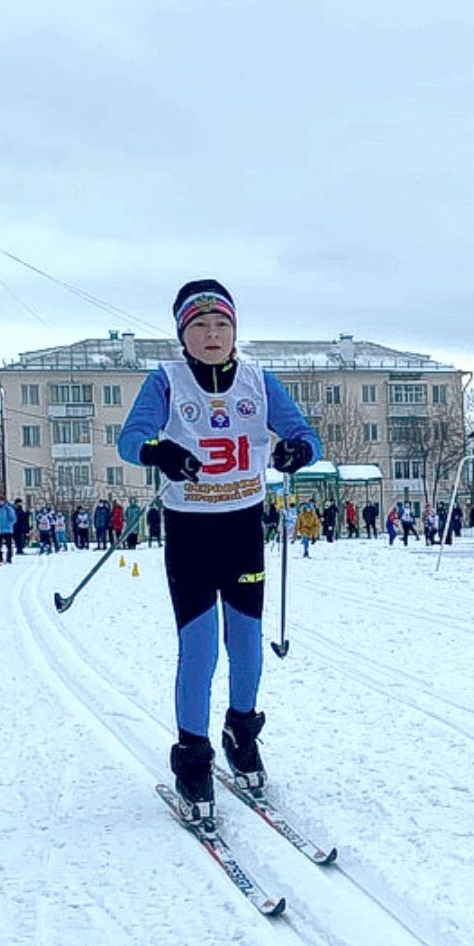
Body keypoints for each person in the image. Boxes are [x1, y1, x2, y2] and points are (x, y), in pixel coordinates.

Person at [116, 278, 320, 824]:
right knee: (200, 649)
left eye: (222, 325)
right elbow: (130, 438)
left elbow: (304, 432)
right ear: (183, 333)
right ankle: (192, 756)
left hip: (243, 526)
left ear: (235, 331)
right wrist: (161, 451)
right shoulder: (166, 380)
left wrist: (298, 448)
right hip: (190, 530)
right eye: (200, 325)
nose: (212, 335)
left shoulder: (258, 378)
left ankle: (241, 730)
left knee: (248, 645)